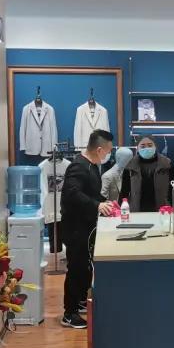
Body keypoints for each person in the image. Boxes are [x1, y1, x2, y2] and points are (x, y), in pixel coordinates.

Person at [60, 129, 116, 329]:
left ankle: (81, 300)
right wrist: (96, 205)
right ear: (99, 149)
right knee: (76, 268)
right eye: (108, 151)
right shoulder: (79, 166)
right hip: (75, 227)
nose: (109, 154)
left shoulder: (92, 166)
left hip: (87, 226)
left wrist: (104, 202)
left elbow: (90, 193)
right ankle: (69, 313)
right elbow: (72, 193)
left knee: (85, 267)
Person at [120, 135, 174, 212]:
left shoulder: (167, 164)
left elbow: (173, 189)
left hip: (162, 210)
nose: (147, 148)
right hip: (137, 210)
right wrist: (120, 209)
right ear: (137, 148)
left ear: (155, 147)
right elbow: (124, 191)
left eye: (150, 145)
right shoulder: (130, 166)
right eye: (142, 146)